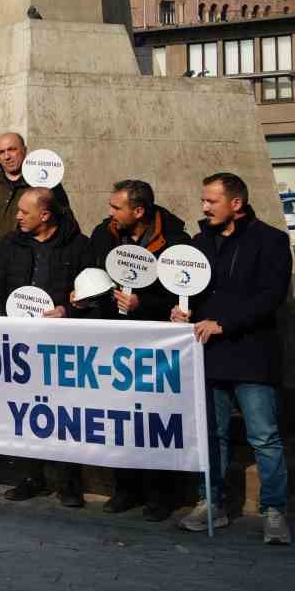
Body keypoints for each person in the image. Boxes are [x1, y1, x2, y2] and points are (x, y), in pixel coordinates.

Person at [174, 172, 293, 545]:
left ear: (236, 204)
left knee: (264, 436)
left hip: (252, 355)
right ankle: (211, 503)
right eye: (204, 200)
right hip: (209, 356)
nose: (204, 207)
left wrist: (224, 322)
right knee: (212, 435)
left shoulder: (271, 241)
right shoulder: (199, 242)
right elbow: (185, 289)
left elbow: (270, 297)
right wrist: (181, 312)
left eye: (211, 201)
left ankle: (275, 512)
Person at [86, 179, 190, 521]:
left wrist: (142, 302)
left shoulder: (175, 242)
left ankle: (160, 496)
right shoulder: (105, 235)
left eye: (117, 208)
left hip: (155, 345)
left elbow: (181, 296)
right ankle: (124, 489)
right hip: (116, 342)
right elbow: (93, 275)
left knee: (153, 419)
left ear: (139, 210)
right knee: (119, 418)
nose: (110, 214)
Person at [0, 186, 92, 506]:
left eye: (24, 212)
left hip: (61, 345)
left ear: (45, 215)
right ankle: (30, 476)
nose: (17, 216)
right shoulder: (10, 244)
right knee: (24, 411)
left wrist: (67, 311)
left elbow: (91, 293)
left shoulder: (79, 246)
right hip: (18, 343)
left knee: (64, 412)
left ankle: (68, 481)